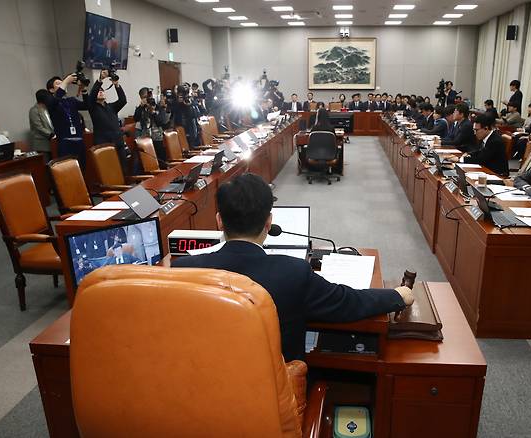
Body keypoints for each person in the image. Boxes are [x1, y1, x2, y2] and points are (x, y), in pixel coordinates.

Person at [172, 173, 414, 361]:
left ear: (219, 221)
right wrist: (397, 295)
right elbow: (348, 302)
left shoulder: (183, 270)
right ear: (269, 222)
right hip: (271, 398)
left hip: (200, 389)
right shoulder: (293, 273)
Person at [45, 74, 89, 168]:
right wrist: (66, 81)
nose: (62, 84)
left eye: (62, 83)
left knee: (83, 168)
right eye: (58, 84)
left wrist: (84, 89)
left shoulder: (71, 100)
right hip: (65, 143)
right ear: (51, 90)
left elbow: (87, 105)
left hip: (79, 140)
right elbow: (56, 98)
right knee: (69, 170)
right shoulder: (51, 103)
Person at [88, 69, 128, 171]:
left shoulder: (111, 107)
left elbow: (123, 100)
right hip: (104, 144)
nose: (101, 92)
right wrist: (101, 79)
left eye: (102, 91)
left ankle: (125, 186)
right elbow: (92, 96)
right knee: (109, 170)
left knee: (123, 168)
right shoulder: (93, 107)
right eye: (99, 91)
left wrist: (116, 85)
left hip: (118, 142)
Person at [134, 87, 169, 163]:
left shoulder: (158, 107)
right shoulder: (141, 109)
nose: (148, 98)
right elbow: (136, 118)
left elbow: (162, 122)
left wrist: (153, 112)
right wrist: (141, 107)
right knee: (148, 160)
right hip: (145, 138)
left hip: (157, 137)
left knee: (161, 160)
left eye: (149, 96)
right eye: (145, 97)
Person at [28, 90, 55, 160]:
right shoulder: (34, 110)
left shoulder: (48, 109)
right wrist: (51, 135)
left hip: (52, 143)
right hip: (42, 145)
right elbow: (38, 127)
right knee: (46, 165)